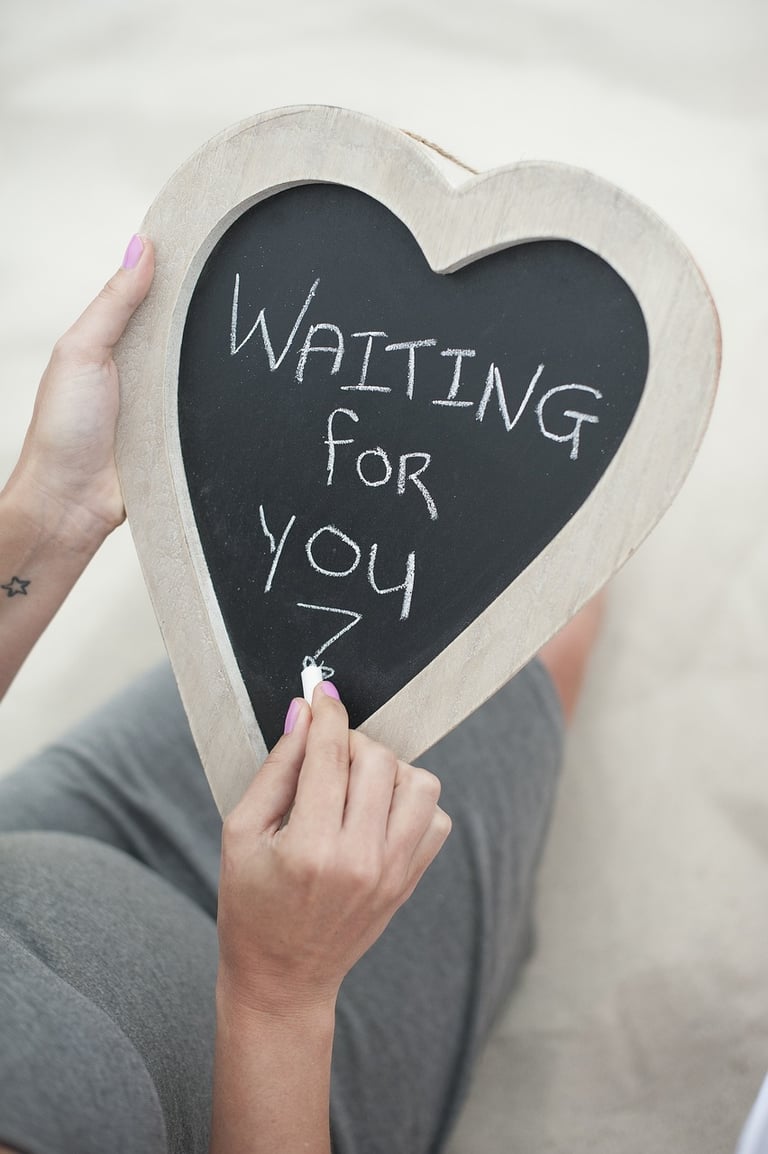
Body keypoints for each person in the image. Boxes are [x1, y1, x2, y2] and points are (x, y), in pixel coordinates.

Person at [0, 235, 602, 1154]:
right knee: (516, 645)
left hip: (49, 853)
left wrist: (54, 507)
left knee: (368, 602)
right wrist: (279, 992)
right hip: (258, 1074)